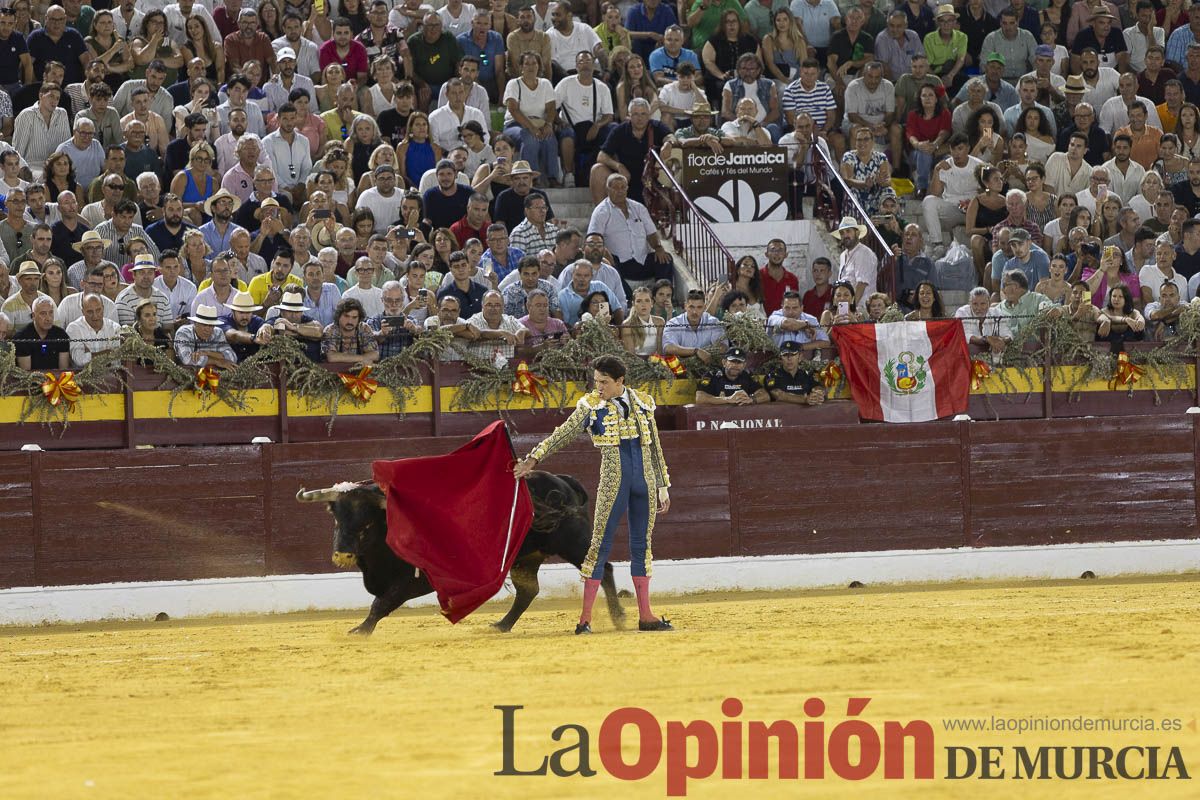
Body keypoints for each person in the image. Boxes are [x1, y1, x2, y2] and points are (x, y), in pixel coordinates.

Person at [514, 355, 674, 634]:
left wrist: (662, 485)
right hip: (614, 483)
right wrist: (533, 459)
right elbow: (562, 434)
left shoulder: (644, 403)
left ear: (620, 381)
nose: (598, 387)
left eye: (604, 382)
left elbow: (655, 448)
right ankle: (584, 619)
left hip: (644, 483)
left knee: (642, 546)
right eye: (596, 381)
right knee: (598, 546)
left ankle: (646, 616)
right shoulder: (590, 406)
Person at [15, 295, 70, 370]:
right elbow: (26, 374)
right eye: (43, 313)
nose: (48, 318)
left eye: (51, 313)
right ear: (33, 316)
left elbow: (63, 371)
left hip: (56, 380)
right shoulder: (22, 337)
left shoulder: (61, 335)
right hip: (31, 380)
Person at [765, 340, 826, 405]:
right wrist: (805, 399)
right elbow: (778, 395)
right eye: (785, 355)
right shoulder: (772, 376)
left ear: (800, 357)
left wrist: (818, 393)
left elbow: (817, 387)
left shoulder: (807, 375)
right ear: (780, 359)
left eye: (793, 354)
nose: (789, 358)